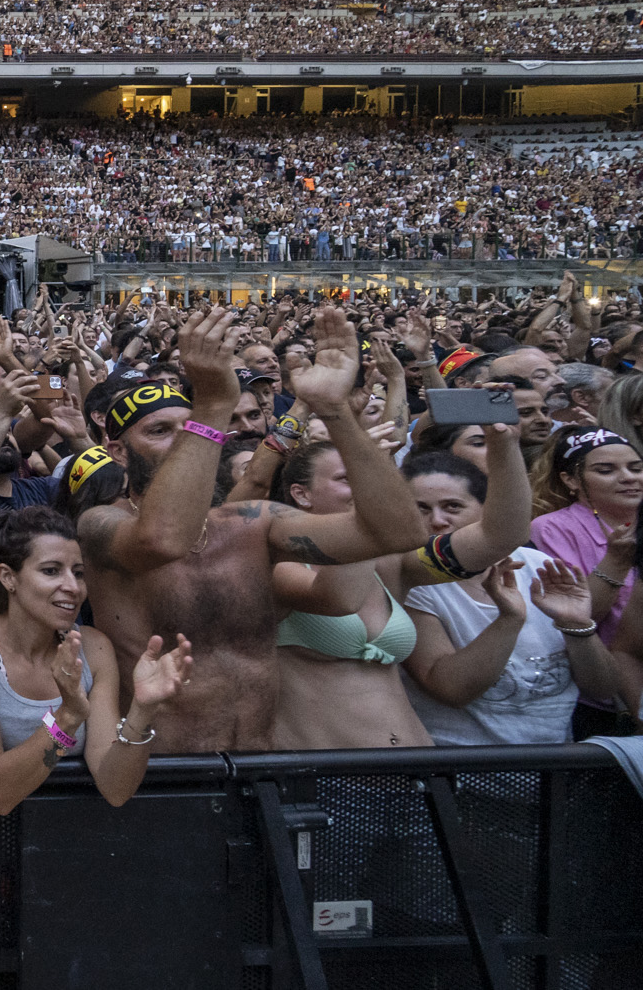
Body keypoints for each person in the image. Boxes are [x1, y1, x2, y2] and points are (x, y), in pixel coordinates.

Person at [76, 307, 430, 752]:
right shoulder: (102, 525)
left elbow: (397, 533)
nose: (183, 439)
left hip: (264, 766)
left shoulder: (253, 522)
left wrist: (337, 412)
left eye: (189, 428)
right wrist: (211, 405)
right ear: (118, 452)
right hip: (165, 772)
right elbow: (164, 540)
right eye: (161, 431)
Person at [0, 507, 194, 813]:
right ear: (9, 577)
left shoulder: (93, 647)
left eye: (78, 573)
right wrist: (67, 716)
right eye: (51, 571)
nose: (73, 587)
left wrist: (142, 711)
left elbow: (115, 788)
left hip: (66, 844)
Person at [267, 419, 530, 750]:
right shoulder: (275, 564)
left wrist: (505, 448)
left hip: (417, 769)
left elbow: (503, 535)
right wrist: (370, 485)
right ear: (301, 494)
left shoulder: (393, 564)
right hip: (325, 779)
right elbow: (339, 598)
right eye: (347, 478)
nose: (366, 485)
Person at [401, 453, 624, 745]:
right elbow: (451, 690)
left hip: (554, 771)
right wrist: (509, 620)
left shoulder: (537, 564)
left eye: (452, 506)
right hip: (463, 774)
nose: (438, 521)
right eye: (421, 509)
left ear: (486, 511)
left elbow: (603, 688)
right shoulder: (409, 581)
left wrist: (577, 626)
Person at [529, 427, 641, 654]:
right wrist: (615, 561)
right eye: (606, 470)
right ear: (571, 480)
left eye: (636, 468)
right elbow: (578, 615)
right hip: (605, 665)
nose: (629, 477)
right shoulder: (552, 528)